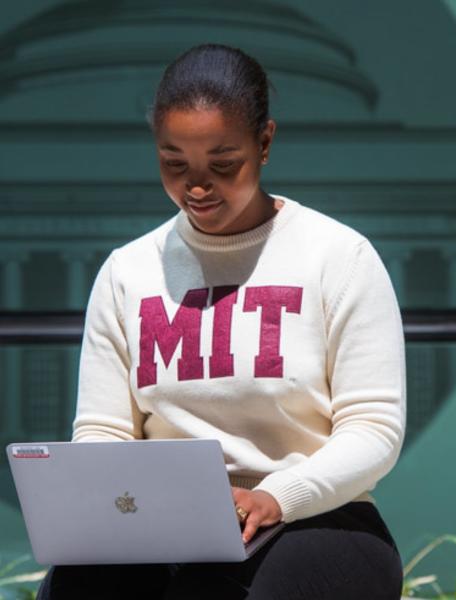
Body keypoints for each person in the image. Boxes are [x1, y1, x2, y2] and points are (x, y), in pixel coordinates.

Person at [37, 43, 406, 600]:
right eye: (174, 162)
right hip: (162, 529)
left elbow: (373, 429)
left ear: (264, 142)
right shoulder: (127, 271)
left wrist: (279, 495)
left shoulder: (338, 257)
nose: (197, 185)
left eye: (222, 163)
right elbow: (103, 430)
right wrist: (111, 501)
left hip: (317, 518)